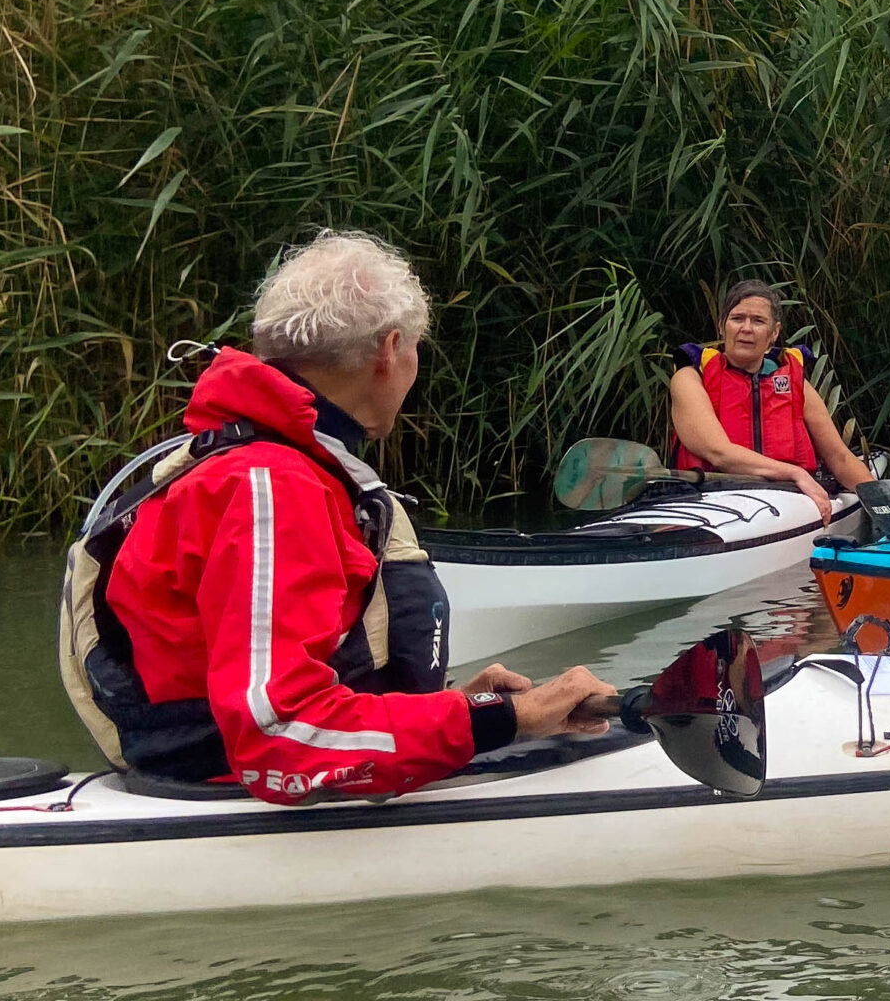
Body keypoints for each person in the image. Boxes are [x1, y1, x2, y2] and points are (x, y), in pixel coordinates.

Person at [60, 230, 614, 805]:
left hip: (223, 765)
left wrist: (453, 706)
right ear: (389, 349)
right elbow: (278, 737)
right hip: (229, 788)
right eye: (416, 349)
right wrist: (507, 720)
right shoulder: (271, 487)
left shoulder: (256, 464)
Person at [668, 279, 874, 520]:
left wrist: (880, 501)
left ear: (773, 333)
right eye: (737, 319)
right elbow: (718, 452)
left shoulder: (796, 385)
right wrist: (796, 474)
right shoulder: (690, 379)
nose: (746, 328)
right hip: (707, 501)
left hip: (785, 501)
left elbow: (839, 458)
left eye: (758, 321)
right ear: (722, 326)